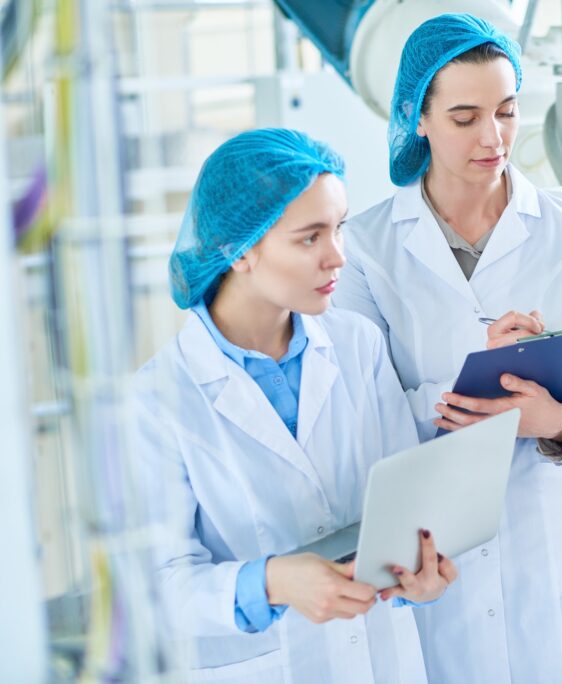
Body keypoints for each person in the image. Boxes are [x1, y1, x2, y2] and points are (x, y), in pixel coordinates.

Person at [334, 13, 562, 683]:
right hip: (433, 548)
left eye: (506, 110)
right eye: (465, 117)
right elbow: (361, 409)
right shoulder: (367, 250)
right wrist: (478, 368)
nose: (492, 137)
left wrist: (550, 421)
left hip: (550, 545)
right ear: (418, 118)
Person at [133, 128, 457, 683]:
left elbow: (403, 506)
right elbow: (155, 586)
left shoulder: (356, 344)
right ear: (239, 249)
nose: (338, 258)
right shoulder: (157, 399)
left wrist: (418, 580)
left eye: (339, 228)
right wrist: (273, 582)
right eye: (310, 238)